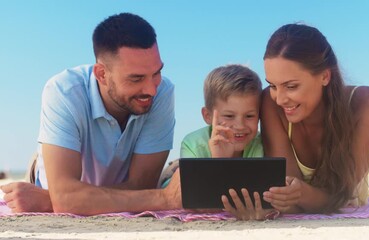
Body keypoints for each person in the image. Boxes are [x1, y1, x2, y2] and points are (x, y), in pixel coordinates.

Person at [0, 13, 182, 215]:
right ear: (102, 74)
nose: (151, 89)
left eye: (156, 73)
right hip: (51, 174)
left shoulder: (163, 92)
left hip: (65, 190)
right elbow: (66, 200)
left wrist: (56, 199)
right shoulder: (64, 91)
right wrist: (165, 199)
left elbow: (141, 186)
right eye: (136, 78)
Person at [260, 23, 369, 213]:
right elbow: (287, 197)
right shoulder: (270, 105)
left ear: (325, 76)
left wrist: (300, 194)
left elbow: (339, 196)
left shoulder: (368, 105)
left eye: (291, 86)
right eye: (272, 86)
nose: (279, 98)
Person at [160, 64, 271, 220]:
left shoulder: (259, 144)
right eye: (229, 116)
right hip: (177, 171)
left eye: (249, 116)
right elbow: (192, 197)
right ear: (207, 116)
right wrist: (219, 161)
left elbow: (257, 194)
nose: (240, 125)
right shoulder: (192, 144)